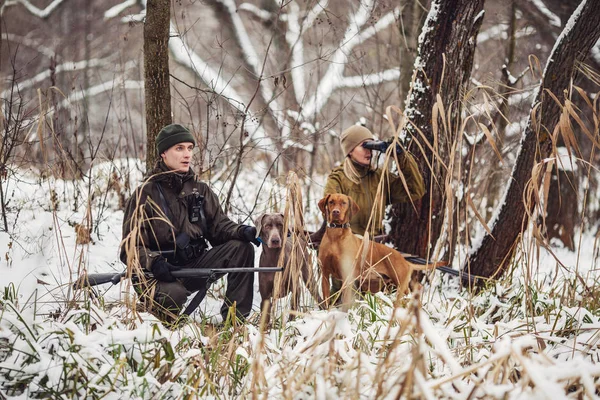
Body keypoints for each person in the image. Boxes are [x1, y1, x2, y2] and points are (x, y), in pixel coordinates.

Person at [120, 123, 259, 325]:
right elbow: (129, 249)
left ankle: (234, 323)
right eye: (179, 148)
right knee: (173, 295)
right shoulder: (145, 194)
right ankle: (165, 323)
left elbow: (219, 227)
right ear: (163, 154)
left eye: (189, 148)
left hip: (194, 267)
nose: (187, 154)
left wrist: (243, 231)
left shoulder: (200, 190)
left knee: (241, 248)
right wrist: (154, 261)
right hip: (159, 275)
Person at [323, 124, 425, 237]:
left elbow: (415, 190)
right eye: (364, 146)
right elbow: (329, 213)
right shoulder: (338, 178)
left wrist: (400, 156)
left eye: (371, 146)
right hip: (348, 246)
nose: (369, 151)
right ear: (350, 151)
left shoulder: (379, 177)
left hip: (375, 247)